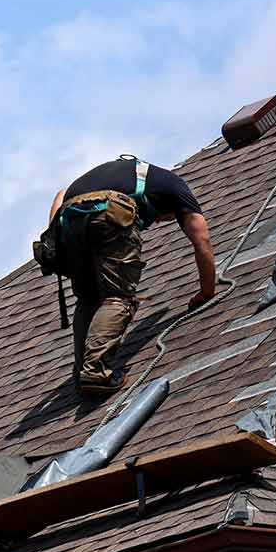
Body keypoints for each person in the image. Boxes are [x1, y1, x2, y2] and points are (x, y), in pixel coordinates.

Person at [49, 155, 215, 394]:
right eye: (163, 217)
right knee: (118, 296)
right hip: (106, 210)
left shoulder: (125, 175)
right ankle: (94, 372)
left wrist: (54, 237)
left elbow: (61, 194)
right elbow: (202, 239)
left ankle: (81, 373)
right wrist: (207, 291)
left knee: (88, 299)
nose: (156, 222)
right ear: (172, 208)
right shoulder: (177, 186)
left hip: (69, 217)